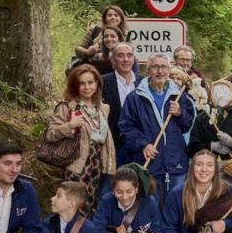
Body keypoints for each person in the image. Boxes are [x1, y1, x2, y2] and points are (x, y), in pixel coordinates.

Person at [119, 53, 194, 208]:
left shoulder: (180, 95)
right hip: (149, 165)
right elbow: (126, 128)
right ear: (148, 71)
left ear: (169, 70)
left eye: (164, 67)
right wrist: (143, 144)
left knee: (176, 208)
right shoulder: (135, 98)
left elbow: (188, 125)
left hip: (176, 164)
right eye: (155, 67)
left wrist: (180, 113)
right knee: (151, 208)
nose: (160, 71)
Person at [46, 64, 115, 216]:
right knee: (74, 206)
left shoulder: (102, 108)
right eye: (81, 83)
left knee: (91, 204)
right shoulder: (68, 107)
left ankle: (85, 231)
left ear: (97, 84)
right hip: (76, 164)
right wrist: (70, 125)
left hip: (96, 163)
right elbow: (50, 134)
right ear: (75, 85)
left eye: (90, 82)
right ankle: (70, 231)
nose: (86, 87)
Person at [92, 166, 161, 233]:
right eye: (119, 192)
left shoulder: (149, 202)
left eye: (129, 191)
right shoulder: (107, 201)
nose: (124, 197)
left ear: (136, 188)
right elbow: (96, 231)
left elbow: (158, 229)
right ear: (113, 189)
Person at [189, 79, 232, 161]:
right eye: (217, 92)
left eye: (225, 93)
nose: (221, 96)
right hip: (206, 165)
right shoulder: (202, 118)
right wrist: (211, 146)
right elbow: (191, 148)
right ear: (211, 94)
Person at [102, 42, 138, 168]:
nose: (125, 59)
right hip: (112, 144)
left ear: (133, 59)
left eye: (129, 55)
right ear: (113, 60)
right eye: (120, 55)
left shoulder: (144, 82)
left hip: (138, 146)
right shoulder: (102, 82)